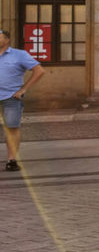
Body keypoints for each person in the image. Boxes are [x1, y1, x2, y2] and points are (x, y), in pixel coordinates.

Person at [1, 29, 47, 172]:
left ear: (7, 40)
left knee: (12, 128)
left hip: (11, 97)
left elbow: (39, 71)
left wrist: (23, 89)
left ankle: (12, 160)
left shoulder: (19, 55)